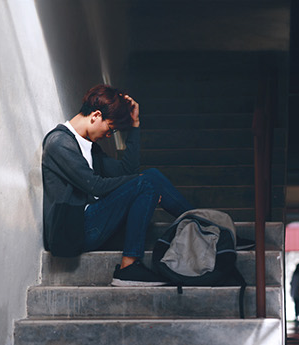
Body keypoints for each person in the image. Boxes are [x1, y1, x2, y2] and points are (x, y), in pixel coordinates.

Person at [41, 84, 196, 287]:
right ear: (96, 116)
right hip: (75, 230)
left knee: (152, 176)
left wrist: (135, 125)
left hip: (94, 222)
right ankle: (128, 268)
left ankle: (203, 225)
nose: (108, 135)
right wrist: (141, 184)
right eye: (110, 129)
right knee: (146, 181)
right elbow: (96, 186)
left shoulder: (89, 147)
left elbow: (127, 170)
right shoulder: (59, 143)